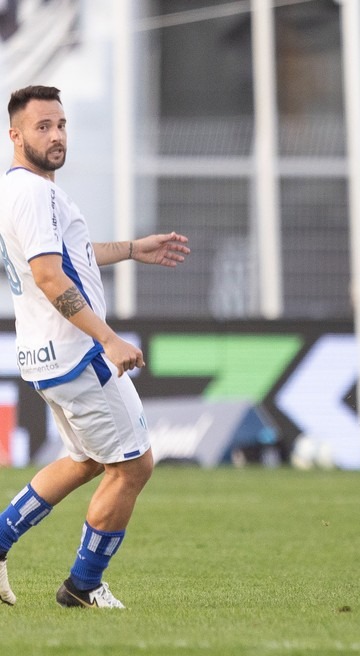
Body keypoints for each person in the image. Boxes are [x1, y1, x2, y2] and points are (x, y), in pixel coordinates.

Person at [0, 85, 191, 609]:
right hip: (76, 354)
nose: (57, 135)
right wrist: (106, 338)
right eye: (43, 127)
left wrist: (130, 249)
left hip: (46, 356)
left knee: (85, 459)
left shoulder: (26, 190)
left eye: (61, 124)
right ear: (15, 136)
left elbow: (71, 255)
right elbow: (47, 275)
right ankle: (82, 586)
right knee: (133, 466)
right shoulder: (35, 194)